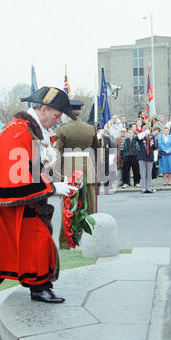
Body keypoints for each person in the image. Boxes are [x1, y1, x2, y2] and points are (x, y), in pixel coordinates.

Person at [0, 86, 78, 303]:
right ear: (44, 109)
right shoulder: (19, 130)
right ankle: (38, 288)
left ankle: (33, 284)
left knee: (30, 242)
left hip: (28, 200)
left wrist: (57, 179)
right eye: (57, 116)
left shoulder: (31, 129)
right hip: (19, 201)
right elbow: (19, 173)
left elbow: (36, 167)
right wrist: (54, 188)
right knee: (37, 242)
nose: (58, 121)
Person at [55, 99, 99, 249]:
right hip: (88, 169)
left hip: (69, 170)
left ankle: (66, 243)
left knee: (69, 208)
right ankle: (91, 241)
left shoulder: (62, 129)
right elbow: (96, 150)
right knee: (90, 207)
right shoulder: (90, 128)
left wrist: (57, 173)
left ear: (69, 113)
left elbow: (58, 152)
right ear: (80, 113)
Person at [136, 123, 156, 193]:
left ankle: (149, 187)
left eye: (146, 127)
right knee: (143, 173)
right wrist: (144, 133)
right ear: (141, 128)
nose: (145, 128)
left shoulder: (151, 136)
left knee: (149, 173)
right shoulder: (140, 135)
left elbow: (155, 147)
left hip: (149, 156)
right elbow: (138, 138)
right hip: (142, 156)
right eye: (143, 127)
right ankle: (144, 188)